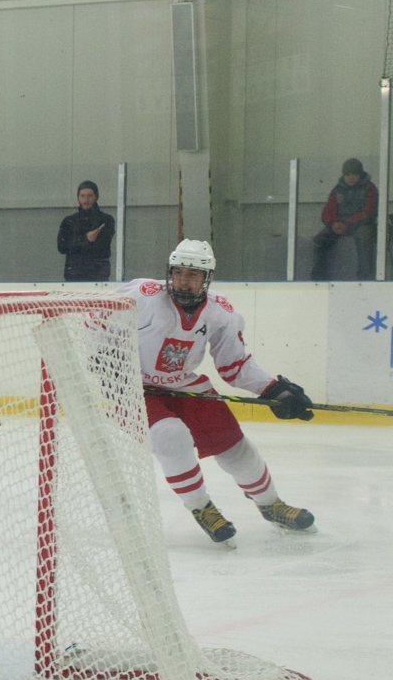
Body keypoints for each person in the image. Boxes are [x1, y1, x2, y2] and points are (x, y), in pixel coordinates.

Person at [120, 239, 316, 546]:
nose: (183, 280)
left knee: (233, 444)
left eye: (193, 274)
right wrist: (110, 373)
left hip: (182, 383)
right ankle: (202, 507)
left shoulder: (219, 311)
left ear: (207, 278)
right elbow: (97, 328)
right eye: (178, 272)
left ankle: (271, 504)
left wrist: (275, 389)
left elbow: (233, 365)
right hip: (131, 385)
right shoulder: (141, 296)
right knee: (171, 435)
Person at [311, 158, 378, 281]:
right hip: (339, 225)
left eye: (354, 174)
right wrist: (333, 224)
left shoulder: (369, 188)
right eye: (347, 174)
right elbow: (328, 210)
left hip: (361, 225)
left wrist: (347, 224)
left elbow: (369, 212)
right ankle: (318, 279)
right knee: (319, 239)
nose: (351, 177)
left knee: (365, 236)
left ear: (360, 174)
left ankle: (365, 279)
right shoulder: (338, 189)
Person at [56, 181, 116, 281]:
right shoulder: (69, 221)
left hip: (98, 274)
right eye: (82, 196)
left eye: (90, 196)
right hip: (74, 274)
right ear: (78, 198)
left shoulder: (106, 220)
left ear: (96, 197)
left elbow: (102, 246)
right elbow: (62, 247)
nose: (85, 200)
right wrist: (85, 239)